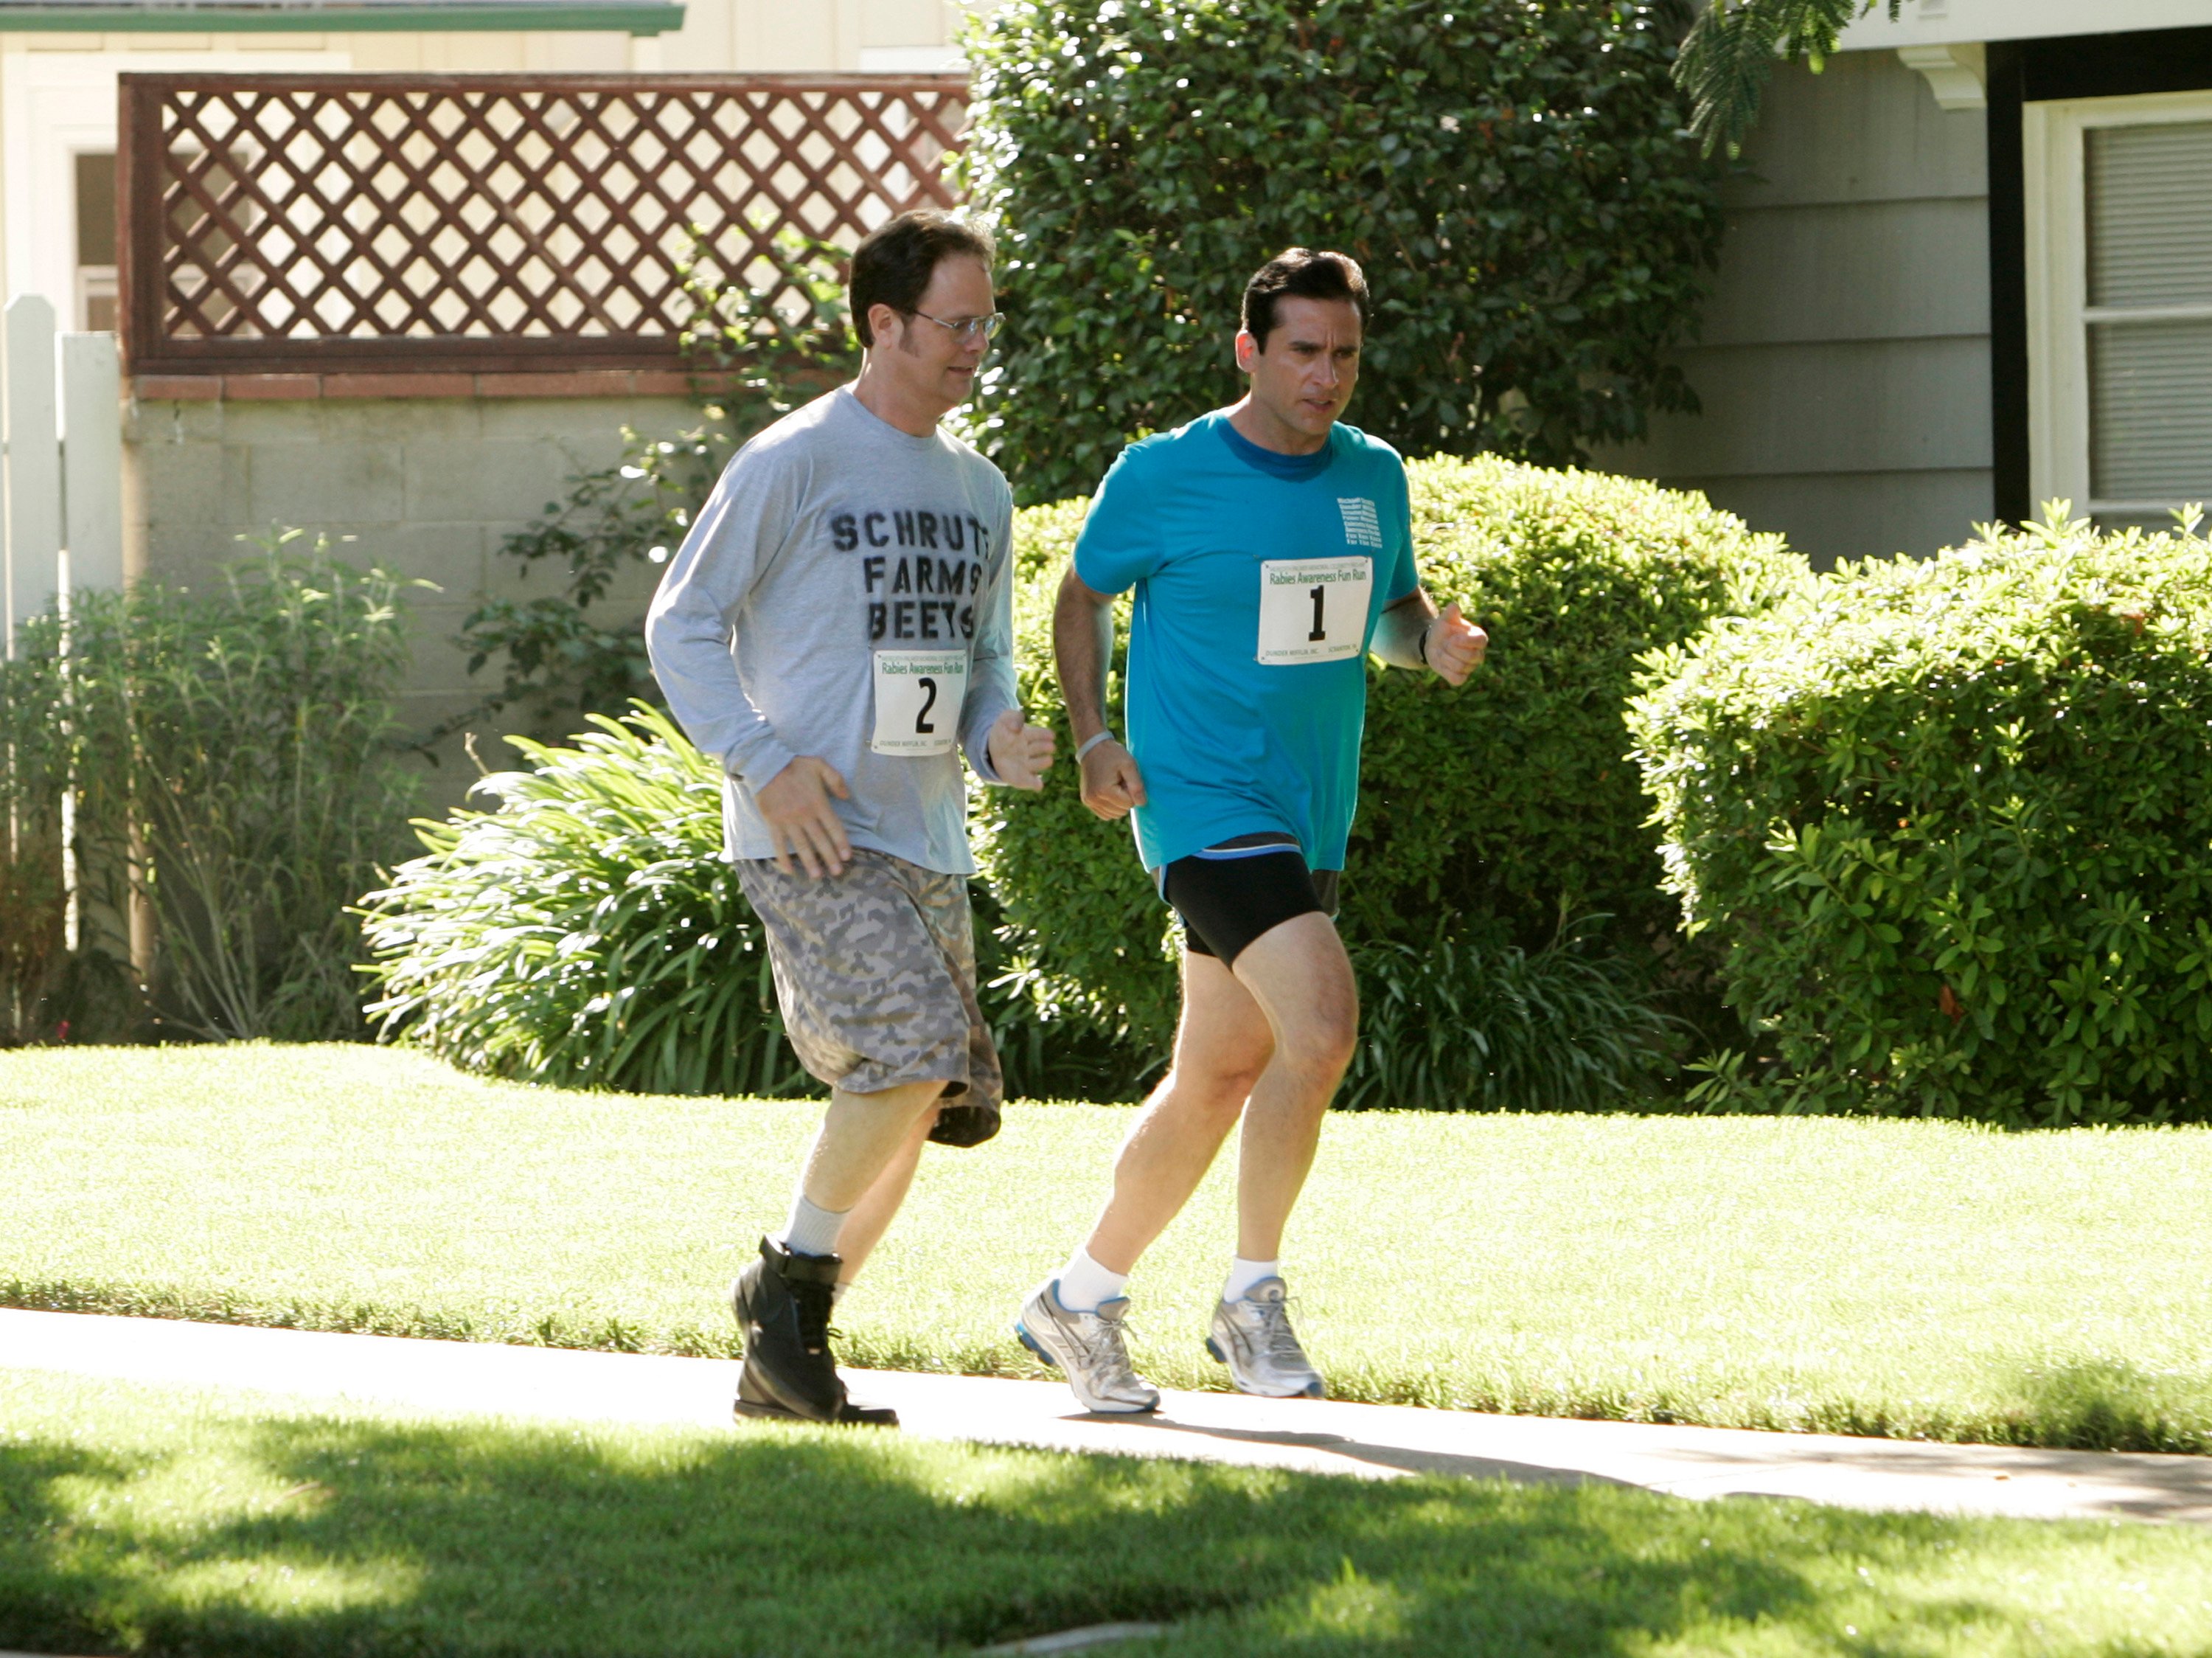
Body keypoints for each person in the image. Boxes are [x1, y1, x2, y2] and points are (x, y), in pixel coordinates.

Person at [1015, 248, 1486, 1412]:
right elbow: (1083, 595)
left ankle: (1077, 1299)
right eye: (1303, 352)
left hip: (1309, 805)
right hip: (1201, 799)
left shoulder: (1373, 475)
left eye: (1345, 356)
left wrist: (1427, 643)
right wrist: (1089, 738)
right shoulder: (1165, 474)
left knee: (1220, 1070)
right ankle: (1251, 1300)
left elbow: (1389, 607)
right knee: (1319, 1025)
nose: (1327, 378)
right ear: (1249, 351)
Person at [646, 210, 1054, 1428]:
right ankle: (788, 1292)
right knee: (912, 1053)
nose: (975, 343)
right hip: (811, 829)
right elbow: (681, 622)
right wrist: (763, 761)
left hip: (923, 833)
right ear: (884, 324)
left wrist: (1003, 739)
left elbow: (983, 666)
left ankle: (787, 1355)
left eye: (987, 322)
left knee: (928, 1097)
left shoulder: (981, 490)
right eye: (955, 322)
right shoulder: (792, 460)